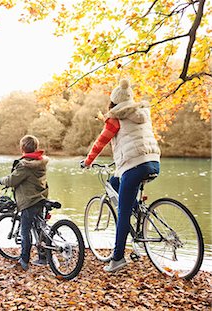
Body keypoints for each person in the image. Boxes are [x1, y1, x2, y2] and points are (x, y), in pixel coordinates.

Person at [81, 78, 160, 272]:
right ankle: (139, 220)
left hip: (133, 166)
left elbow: (101, 142)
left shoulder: (116, 117)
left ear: (114, 102)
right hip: (153, 162)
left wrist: (88, 161)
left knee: (123, 214)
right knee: (115, 182)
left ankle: (117, 259)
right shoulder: (142, 114)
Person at [0, 135, 49, 271]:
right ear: (36, 148)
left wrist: (2, 180)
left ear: (22, 148)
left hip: (29, 201)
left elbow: (12, 180)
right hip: (41, 198)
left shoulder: (24, 165)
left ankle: (24, 260)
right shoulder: (41, 162)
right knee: (40, 228)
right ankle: (43, 257)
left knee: (25, 230)